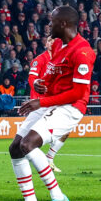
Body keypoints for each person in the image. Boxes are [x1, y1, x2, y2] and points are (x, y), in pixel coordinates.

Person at [8, 6, 95, 201]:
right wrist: (40, 84)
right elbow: (52, 74)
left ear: (63, 24)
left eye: (52, 21)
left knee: (28, 144)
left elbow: (78, 92)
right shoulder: (57, 45)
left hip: (71, 107)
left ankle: (58, 197)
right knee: (15, 148)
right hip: (51, 103)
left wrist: (41, 102)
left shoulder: (83, 52)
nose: (49, 25)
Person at [27, 37, 67, 173]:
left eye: (54, 41)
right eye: (49, 40)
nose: (52, 43)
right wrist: (36, 83)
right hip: (39, 104)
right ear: (46, 44)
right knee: (30, 138)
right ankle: (32, 159)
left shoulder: (60, 61)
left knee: (66, 130)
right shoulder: (40, 59)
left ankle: (49, 159)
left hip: (53, 102)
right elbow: (31, 77)